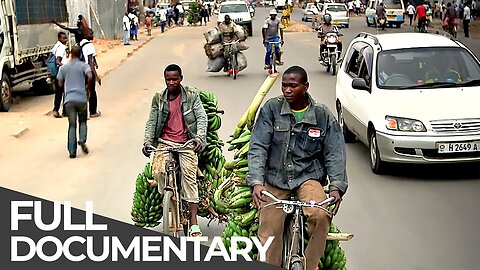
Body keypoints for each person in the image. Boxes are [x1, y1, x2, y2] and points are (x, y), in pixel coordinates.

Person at [247, 65, 348, 270]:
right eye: (284, 86)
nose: (287, 90)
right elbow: (258, 146)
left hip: (308, 178)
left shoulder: (322, 115)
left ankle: (310, 264)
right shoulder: (272, 109)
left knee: (320, 215)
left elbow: (335, 152)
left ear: (306, 87)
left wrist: (337, 186)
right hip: (276, 178)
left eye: (293, 86)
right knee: (268, 231)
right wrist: (257, 182)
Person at [142, 64, 207, 237]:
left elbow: (201, 117)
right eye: (168, 79)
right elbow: (151, 121)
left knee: (189, 178)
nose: (171, 82)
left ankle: (193, 222)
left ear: (181, 79)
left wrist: (199, 138)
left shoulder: (192, 96)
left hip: (186, 143)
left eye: (175, 79)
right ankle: (169, 200)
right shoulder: (158, 98)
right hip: (165, 142)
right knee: (159, 172)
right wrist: (147, 142)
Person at [56, 45, 93, 158]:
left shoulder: (64, 68)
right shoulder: (83, 65)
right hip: (81, 98)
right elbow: (90, 76)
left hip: (69, 100)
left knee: (72, 125)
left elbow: (59, 82)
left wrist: (64, 91)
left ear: (70, 53)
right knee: (82, 121)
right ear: (80, 54)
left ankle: (72, 152)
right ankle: (82, 139)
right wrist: (87, 88)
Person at [79, 33, 102, 118]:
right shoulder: (89, 45)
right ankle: (92, 112)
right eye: (90, 34)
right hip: (89, 71)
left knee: (83, 91)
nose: (92, 35)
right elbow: (90, 62)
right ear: (85, 35)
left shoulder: (80, 44)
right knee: (92, 91)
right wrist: (96, 76)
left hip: (81, 71)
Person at [51, 32, 69, 118]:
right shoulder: (61, 48)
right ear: (59, 39)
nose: (66, 40)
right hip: (62, 73)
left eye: (66, 38)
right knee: (64, 92)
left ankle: (57, 110)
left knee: (59, 93)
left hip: (58, 74)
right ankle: (62, 111)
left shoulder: (57, 46)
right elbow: (58, 61)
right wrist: (65, 66)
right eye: (64, 38)